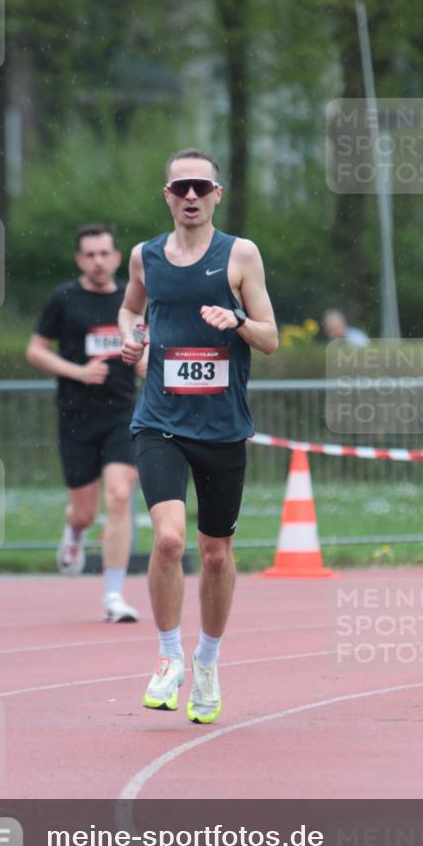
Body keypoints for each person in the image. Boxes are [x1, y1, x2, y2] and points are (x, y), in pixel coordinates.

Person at [119, 148, 278, 723]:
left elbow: (270, 337)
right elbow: (129, 310)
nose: (190, 196)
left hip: (222, 427)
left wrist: (234, 320)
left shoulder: (239, 254)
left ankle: (207, 662)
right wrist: (132, 339)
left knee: (215, 555)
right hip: (159, 420)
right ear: (166, 195)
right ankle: (169, 658)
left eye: (200, 187)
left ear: (217, 195)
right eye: (180, 187)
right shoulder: (145, 256)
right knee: (167, 541)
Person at [26, 224, 145, 623]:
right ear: (80, 259)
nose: (97, 261)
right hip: (76, 416)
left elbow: (146, 350)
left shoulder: (132, 299)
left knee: (119, 496)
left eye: (104, 253)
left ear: (116, 257)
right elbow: (36, 351)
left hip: (122, 414)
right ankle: (75, 532)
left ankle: (113, 596)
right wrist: (77, 371)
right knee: (84, 512)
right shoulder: (63, 299)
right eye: (89, 254)